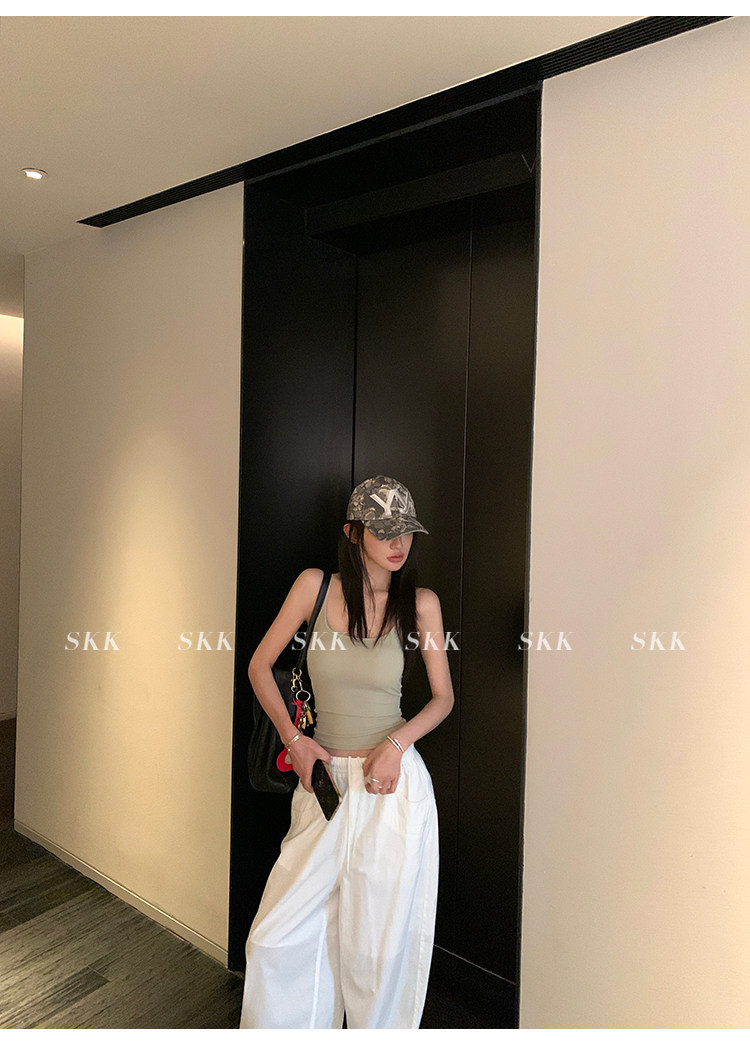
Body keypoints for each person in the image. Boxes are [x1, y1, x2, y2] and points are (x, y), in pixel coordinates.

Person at [238, 475, 455, 1030]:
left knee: (376, 953)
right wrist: (295, 740)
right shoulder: (314, 587)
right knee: (276, 939)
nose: (398, 543)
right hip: (325, 785)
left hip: (391, 787)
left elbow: (443, 698)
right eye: (384, 531)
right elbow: (259, 666)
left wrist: (396, 744)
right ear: (353, 532)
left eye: (406, 530)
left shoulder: (420, 604)